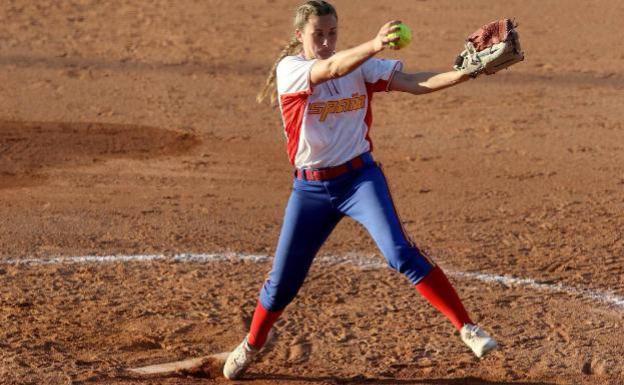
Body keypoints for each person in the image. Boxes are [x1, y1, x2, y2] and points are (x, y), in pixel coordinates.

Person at [223, 1, 498, 380]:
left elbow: (416, 83)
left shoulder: (361, 66)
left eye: (331, 33)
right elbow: (330, 68)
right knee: (283, 282)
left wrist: (465, 72)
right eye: (317, 34)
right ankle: (252, 344)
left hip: (359, 179)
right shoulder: (292, 70)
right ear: (300, 36)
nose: (325, 40)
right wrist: (374, 44)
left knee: (400, 252)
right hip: (310, 191)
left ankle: (467, 327)